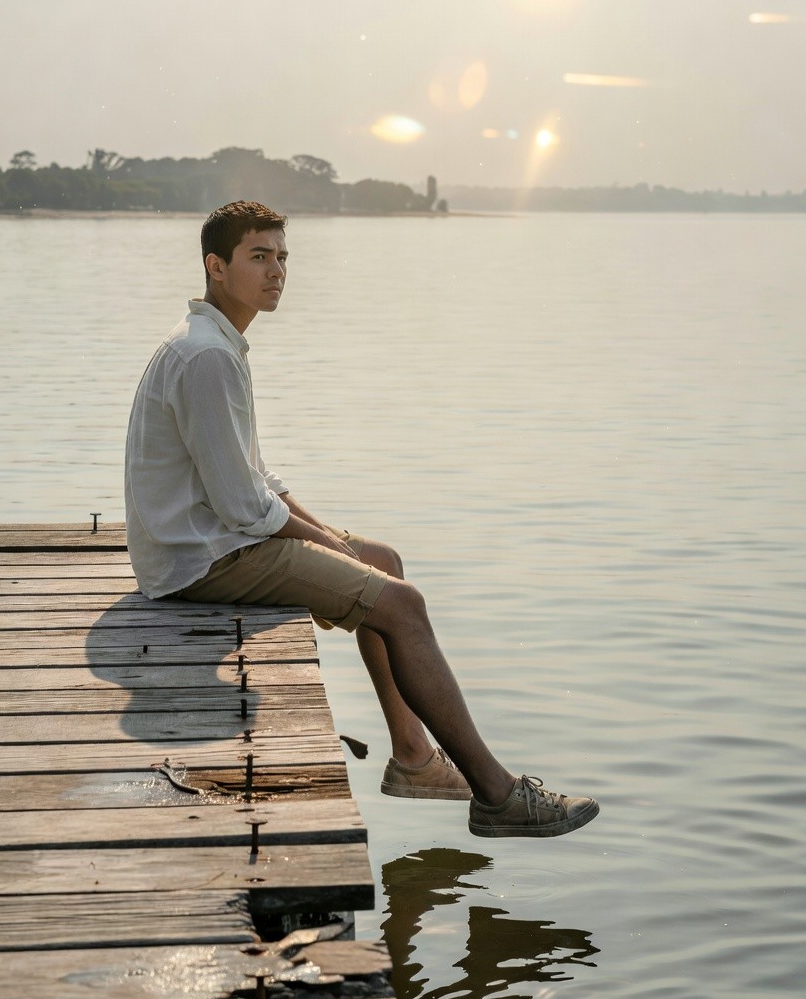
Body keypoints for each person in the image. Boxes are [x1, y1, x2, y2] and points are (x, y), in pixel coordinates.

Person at [125, 200, 599, 838]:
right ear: (216, 266)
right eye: (259, 257)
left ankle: (414, 759)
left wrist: (335, 539)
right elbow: (244, 507)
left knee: (384, 561)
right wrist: (323, 545)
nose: (277, 272)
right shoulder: (207, 357)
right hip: (200, 559)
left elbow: (256, 480)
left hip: (215, 539)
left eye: (282, 258)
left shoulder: (217, 345)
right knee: (403, 605)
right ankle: (498, 795)